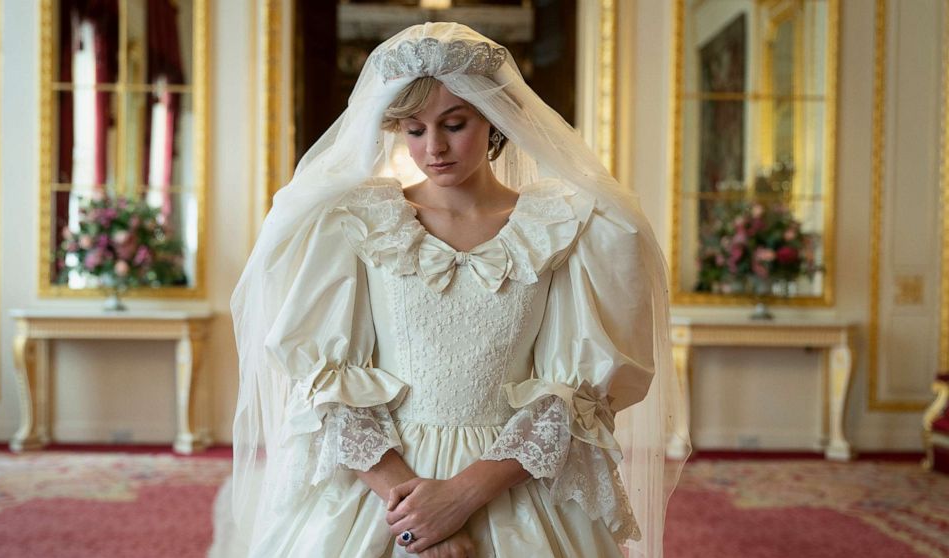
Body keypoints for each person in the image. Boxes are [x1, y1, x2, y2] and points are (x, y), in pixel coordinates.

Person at [219, 22, 690, 558]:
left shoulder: (565, 225)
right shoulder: (357, 221)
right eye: (414, 130)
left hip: (513, 482)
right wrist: (417, 518)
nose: (433, 148)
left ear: (494, 119)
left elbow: (575, 398)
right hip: (381, 481)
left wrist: (462, 497)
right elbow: (327, 387)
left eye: (454, 124)